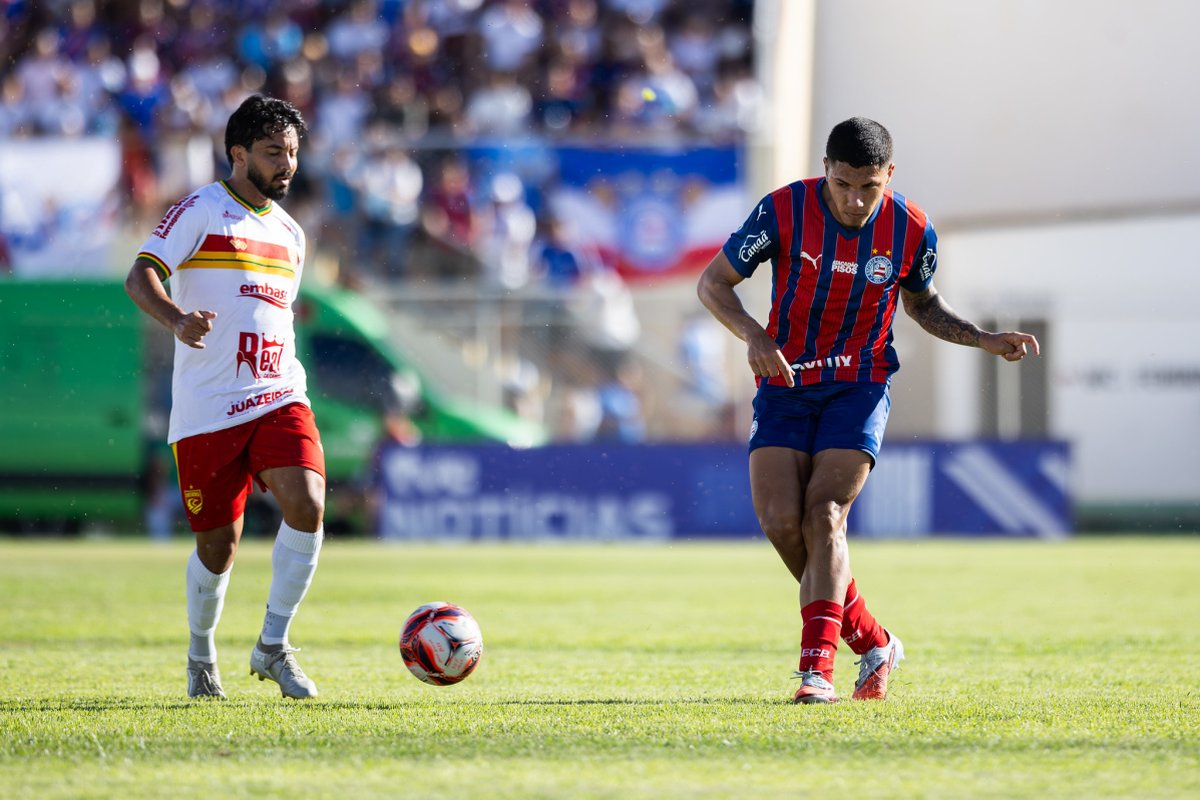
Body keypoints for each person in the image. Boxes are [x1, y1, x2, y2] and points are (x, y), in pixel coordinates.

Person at [696, 117, 1039, 704]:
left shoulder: (912, 228)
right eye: (843, 184)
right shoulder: (782, 210)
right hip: (784, 380)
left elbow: (923, 305)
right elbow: (713, 283)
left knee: (825, 513)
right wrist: (755, 337)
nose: (855, 201)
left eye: (869, 188)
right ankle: (874, 641)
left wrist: (982, 338)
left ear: (889, 175)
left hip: (860, 382)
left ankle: (816, 671)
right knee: (781, 521)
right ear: (826, 169)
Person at [125, 94, 326, 700]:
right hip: (208, 406)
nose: (286, 164)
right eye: (272, 152)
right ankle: (200, 655)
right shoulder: (200, 210)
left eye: (292, 152)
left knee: (308, 503)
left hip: (278, 392)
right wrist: (177, 319)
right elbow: (141, 275)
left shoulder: (292, 233)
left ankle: (273, 646)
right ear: (238, 154)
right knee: (218, 547)